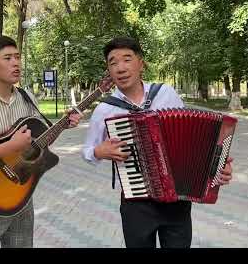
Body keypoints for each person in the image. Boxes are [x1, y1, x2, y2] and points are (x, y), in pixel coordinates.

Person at [82, 36, 233, 248]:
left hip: (177, 200)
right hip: (137, 204)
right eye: (113, 62)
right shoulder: (105, 110)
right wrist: (99, 151)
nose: (120, 68)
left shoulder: (166, 93)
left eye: (127, 59)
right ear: (108, 70)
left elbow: (192, 139)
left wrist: (217, 166)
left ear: (140, 63)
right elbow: (87, 151)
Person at [0, 34, 82, 248]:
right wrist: (9, 146)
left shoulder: (26, 97)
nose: (16, 63)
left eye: (17, 57)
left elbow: (39, 142)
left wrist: (64, 123)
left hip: (21, 193)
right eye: (8, 58)